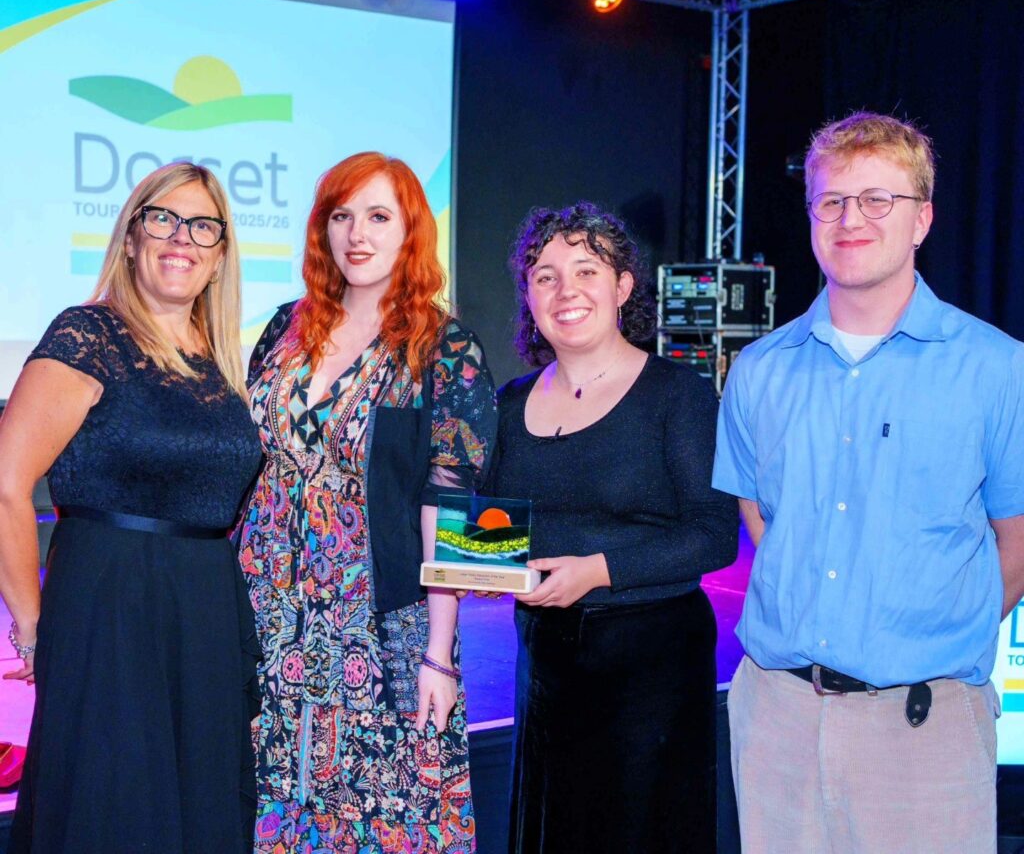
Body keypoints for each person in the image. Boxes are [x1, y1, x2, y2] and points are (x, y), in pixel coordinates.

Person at [714, 111, 1024, 853]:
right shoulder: (759, 371)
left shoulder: (997, 369)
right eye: (833, 200)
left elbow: (1016, 541)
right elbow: (763, 522)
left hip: (926, 730)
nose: (852, 218)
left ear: (923, 219)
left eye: (878, 199)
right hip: (777, 723)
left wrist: (926, 639)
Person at [0, 163, 263, 853]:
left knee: (198, 804)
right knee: (111, 809)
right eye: (163, 219)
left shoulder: (223, 363)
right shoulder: (89, 335)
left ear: (220, 256)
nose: (182, 238)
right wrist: (32, 623)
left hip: (206, 610)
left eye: (202, 227)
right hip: (108, 604)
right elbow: (5, 484)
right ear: (131, 236)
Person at [239, 152, 496, 853]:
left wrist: (439, 657)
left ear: (410, 231)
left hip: (378, 631)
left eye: (379, 216)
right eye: (341, 216)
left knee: (384, 819)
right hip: (263, 620)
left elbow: (456, 507)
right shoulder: (283, 331)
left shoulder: (446, 348)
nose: (357, 233)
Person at [487, 202, 738, 854]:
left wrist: (594, 571)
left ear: (623, 286)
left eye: (586, 270)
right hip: (547, 664)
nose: (565, 290)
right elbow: (490, 530)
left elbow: (713, 534)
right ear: (529, 295)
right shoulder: (509, 403)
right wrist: (474, 561)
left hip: (649, 672)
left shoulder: (677, 394)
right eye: (545, 275)